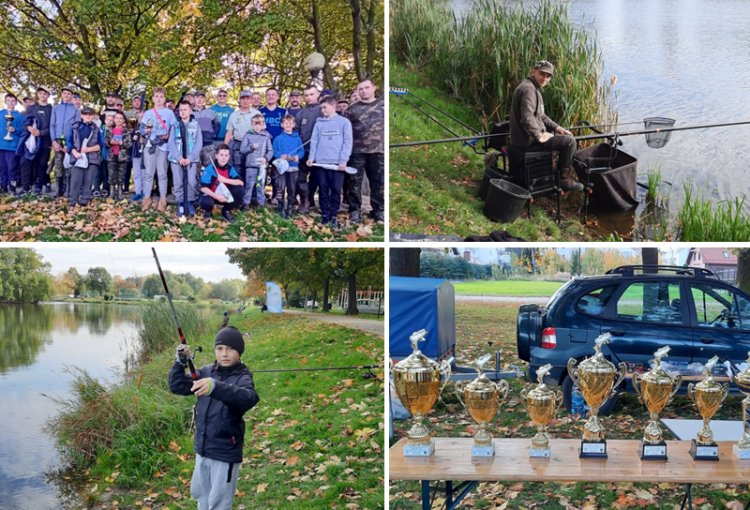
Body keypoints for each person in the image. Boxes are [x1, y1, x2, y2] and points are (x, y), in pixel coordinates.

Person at [168, 326, 259, 510]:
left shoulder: (243, 377)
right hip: (202, 448)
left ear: (239, 352)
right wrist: (180, 363)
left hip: (225, 452)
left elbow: (249, 397)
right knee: (201, 495)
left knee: (218, 502)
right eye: (219, 348)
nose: (224, 353)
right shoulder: (207, 371)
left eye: (230, 349)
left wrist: (215, 387)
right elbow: (177, 385)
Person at [509, 60, 581, 192]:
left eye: (548, 76)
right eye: (542, 74)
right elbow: (527, 117)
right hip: (527, 143)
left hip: (525, 139)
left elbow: (542, 116)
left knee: (565, 137)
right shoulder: (529, 90)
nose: (545, 78)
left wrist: (557, 128)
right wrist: (539, 135)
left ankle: (557, 176)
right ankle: (563, 180)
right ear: (534, 71)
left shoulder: (532, 87)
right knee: (570, 142)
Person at [307, 95, 352, 228]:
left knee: (336, 189)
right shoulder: (319, 123)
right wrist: (311, 158)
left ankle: (333, 214)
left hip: (337, 164)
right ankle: (325, 214)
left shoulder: (344, 122)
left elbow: (347, 142)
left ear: (333, 106)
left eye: (325, 107)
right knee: (323, 189)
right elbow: (314, 141)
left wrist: (343, 160)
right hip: (321, 163)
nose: (322, 110)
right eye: (321, 108)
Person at [345, 78, 384, 223]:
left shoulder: (384, 106)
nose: (363, 91)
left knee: (379, 182)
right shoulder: (352, 110)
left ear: (374, 88)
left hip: (378, 151)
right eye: (360, 89)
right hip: (357, 152)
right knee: (355, 182)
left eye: (366, 88)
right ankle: (355, 210)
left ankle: (379, 210)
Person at [139, 87, 177, 211]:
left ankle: (162, 199)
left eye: (161, 96)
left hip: (163, 146)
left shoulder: (169, 113)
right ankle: (146, 198)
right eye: (157, 96)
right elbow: (141, 129)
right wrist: (145, 131)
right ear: (153, 98)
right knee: (149, 173)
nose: (159, 99)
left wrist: (168, 136)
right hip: (150, 145)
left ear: (164, 99)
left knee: (162, 173)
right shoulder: (148, 113)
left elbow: (174, 128)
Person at [167, 101, 203, 217]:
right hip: (177, 160)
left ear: (190, 110)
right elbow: (171, 143)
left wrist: (190, 158)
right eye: (181, 110)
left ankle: (190, 202)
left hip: (191, 160)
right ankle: (181, 203)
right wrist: (179, 157)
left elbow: (199, 143)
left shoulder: (196, 125)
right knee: (178, 182)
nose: (183, 112)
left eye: (185, 109)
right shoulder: (175, 125)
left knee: (192, 182)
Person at [66, 106, 103, 207]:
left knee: (88, 180)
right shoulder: (75, 127)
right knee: (75, 180)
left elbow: (100, 145)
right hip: (77, 157)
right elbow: (69, 142)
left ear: (93, 116)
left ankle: (85, 200)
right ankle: (72, 201)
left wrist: (88, 150)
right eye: (86, 114)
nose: (88, 116)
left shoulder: (96, 128)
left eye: (90, 114)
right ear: (81, 115)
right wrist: (75, 152)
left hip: (91, 158)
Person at [19, 86, 52, 195]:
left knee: (42, 164)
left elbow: (53, 126)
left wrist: (41, 132)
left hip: (45, 141)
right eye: (41, 93)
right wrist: (28, 128)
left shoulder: (51, 109)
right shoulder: (31, 108)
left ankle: (39, 187)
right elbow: (25, 123)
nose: (43, 95)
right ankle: (25, 187)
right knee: (26, 163)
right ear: (38, 94)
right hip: (31, 141)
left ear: (48, 95)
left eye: (45, 94)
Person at [198, 143, 245, 222]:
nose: (224, 158)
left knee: (240, 190)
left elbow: (240, 182)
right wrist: (216, 196)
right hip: (212, 195)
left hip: (224, 195)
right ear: (216, 156)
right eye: (221, 155)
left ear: (229, 157)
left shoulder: (230, 168)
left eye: (226, 155)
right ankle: (208, 212)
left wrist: (224, 180)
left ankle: (226, 211)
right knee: (206, 202)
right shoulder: (209, 169)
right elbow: (203, 188)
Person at [295, 85, 322, 213]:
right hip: (304, 151)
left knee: (317, 178)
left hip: (320, 152)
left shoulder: (323, 110)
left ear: (317, 94)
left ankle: (319, 203)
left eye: (311, 94)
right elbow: (296, 133)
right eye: (306, 95)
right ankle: (305, 201)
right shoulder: (301, 113)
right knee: (301, 177)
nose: (309, 97)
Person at [50, 85, 81, 197]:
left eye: (69, 94)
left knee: (68, 164)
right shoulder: (55, 108)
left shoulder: (76, 110)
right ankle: (59, 189)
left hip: (69, 140)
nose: (67, 95)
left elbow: (77, 127)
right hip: (57, 139)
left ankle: (68, 189)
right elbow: (52, 125)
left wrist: (70, 144)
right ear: (61, 95)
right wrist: (54, 141)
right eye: (65, 93)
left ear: (71, 96)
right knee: (58, 164)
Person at [272, 115, 304, 218]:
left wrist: (297, 157)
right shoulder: (278, 138)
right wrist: (280, 155)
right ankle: (281, 207)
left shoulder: (297, 138)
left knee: (292, 188)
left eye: (290, 123)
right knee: (280, 187)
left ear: (294, 125)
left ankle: (289, 207)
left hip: (293, 167)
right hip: (281, 168)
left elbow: (301, 151)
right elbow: (275, 151)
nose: (288, 125)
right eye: (286, 123)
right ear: (282, 125)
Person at [224, 90, 260, 179]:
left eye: (247, 99)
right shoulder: (234, 115)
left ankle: (252, 192)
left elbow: (262, 131)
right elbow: (229, 132)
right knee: (238, 169)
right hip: (238, 145)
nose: (245, 101)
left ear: (251, 100)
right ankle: (239, 191)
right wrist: (224, 147)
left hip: (253, 145)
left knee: (252, 169)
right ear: (239, 100)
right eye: (243, 99)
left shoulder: (256, 114)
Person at [239, 114, 273, 209]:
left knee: (261, 186)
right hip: (251, 165)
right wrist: (251, 147)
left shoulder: (266, 136)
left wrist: (266, 158)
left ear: (263, 124)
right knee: (249, 185)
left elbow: (270, 151)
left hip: (262, 167)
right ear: (252, 124)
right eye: (255, 123)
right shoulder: (248, 135)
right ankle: (246, 204)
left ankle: (261, 204)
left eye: (260, 124)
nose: (258, 126)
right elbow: (242, 150)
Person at [104, 111, 133, 201]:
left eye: (121, 118)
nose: (119, 120)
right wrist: (110, 142)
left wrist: (122, 143)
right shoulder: (109, 131)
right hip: (112, 156)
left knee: (121, 175)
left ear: (124, 120)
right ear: (114, 119)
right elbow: (105, 143)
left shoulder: (126, 132)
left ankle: (120, 192)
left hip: (122, 157)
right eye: (117, 118)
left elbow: (129, 144)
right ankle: (112, 193)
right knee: (112, 175)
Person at [0, 94, 25, 195]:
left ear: (16, 102)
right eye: (8, 100)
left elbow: (23, 131)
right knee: (2, 167)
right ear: (5, 101)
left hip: (13, 146)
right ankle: (3, 187)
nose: (11, 103)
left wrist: (14, 130)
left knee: (12, 167)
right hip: (1, 145)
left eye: (13, 101)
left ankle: (12, 187)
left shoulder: (20, 116)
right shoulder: (1, 113)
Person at [92, 111, 113, 198]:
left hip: (108, 156)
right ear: (104, 120)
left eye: (111, 120)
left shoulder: (114, 130)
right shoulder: (100, 129)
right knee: (97, 173)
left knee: (106, 173)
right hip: (98, 154)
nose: (109, 121)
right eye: (107, 119)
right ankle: (96, 189)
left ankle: (105, 189)